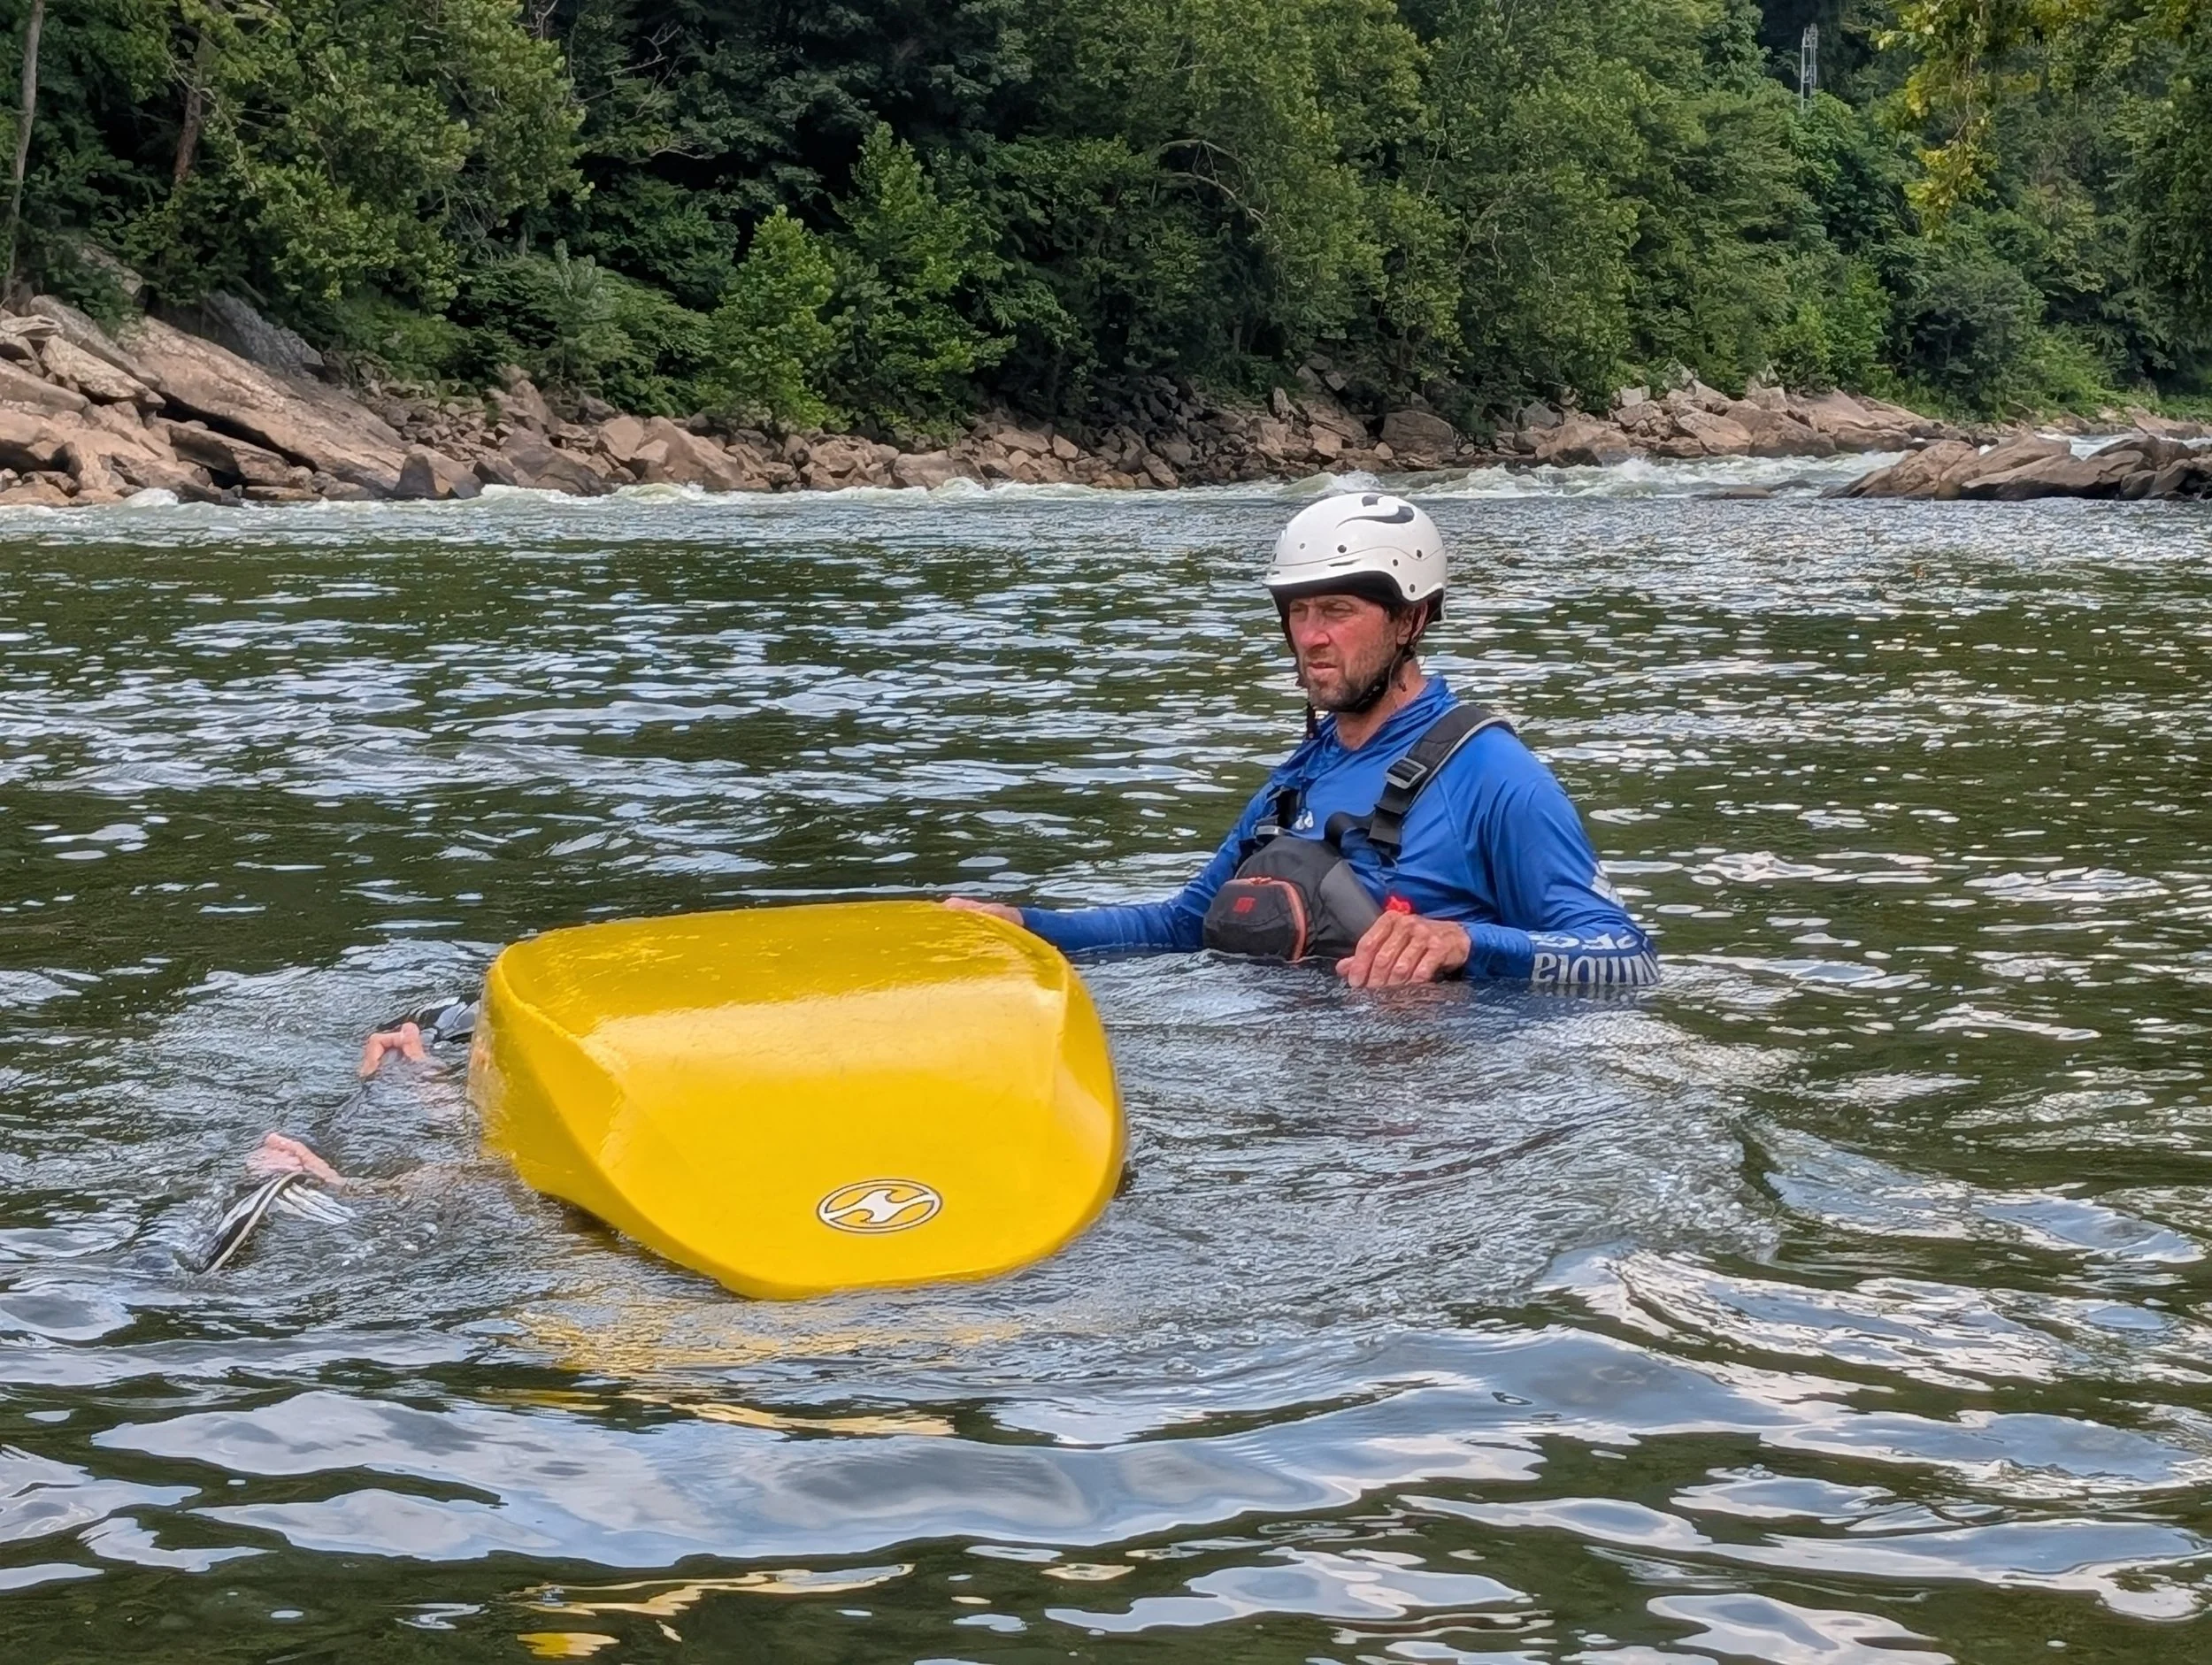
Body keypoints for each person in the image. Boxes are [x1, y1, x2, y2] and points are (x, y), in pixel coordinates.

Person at [947, 493, 1656, 990]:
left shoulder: (1495, 773)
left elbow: (1624, 957)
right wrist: (1021, 926)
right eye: (1300, 612)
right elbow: (1181, 924)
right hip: (1299, 1087)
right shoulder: (1296, 782)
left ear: (1410, 621)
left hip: (1443, 1111)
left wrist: (1465, 941)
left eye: (1339, 611)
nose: (1311, 637)